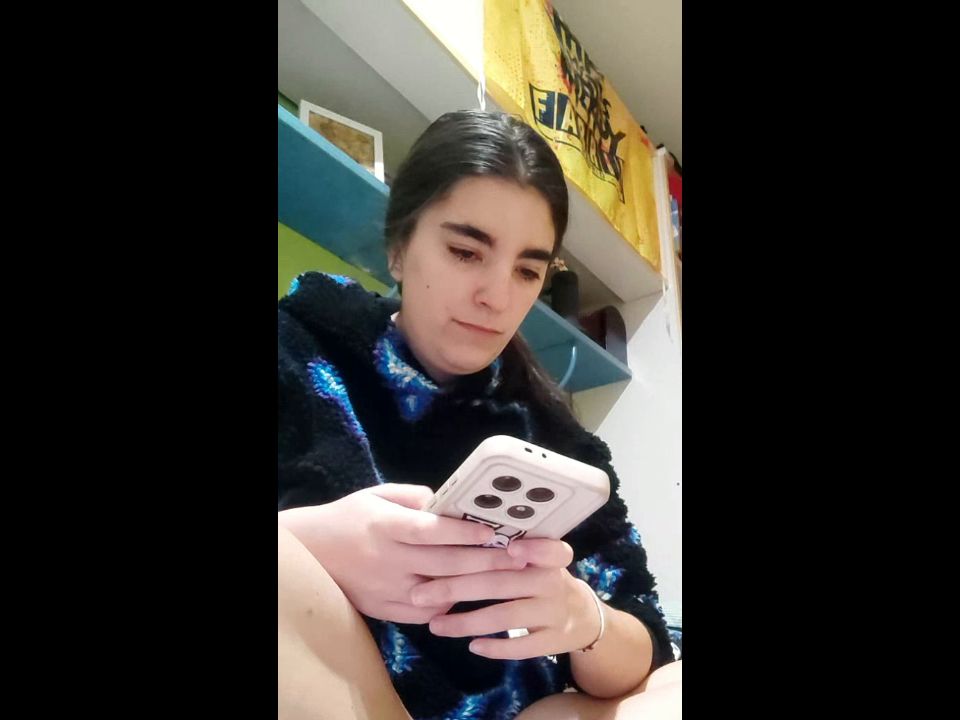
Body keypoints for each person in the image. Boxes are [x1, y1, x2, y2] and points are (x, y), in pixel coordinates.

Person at [278, 110, 681, 720]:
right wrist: (311, 541)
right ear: (398, 248)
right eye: (466, 252)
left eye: (527, 271)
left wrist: (584, 618)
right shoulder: (295, 354)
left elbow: (646, 642)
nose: (497, 296)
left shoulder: (559, 444)